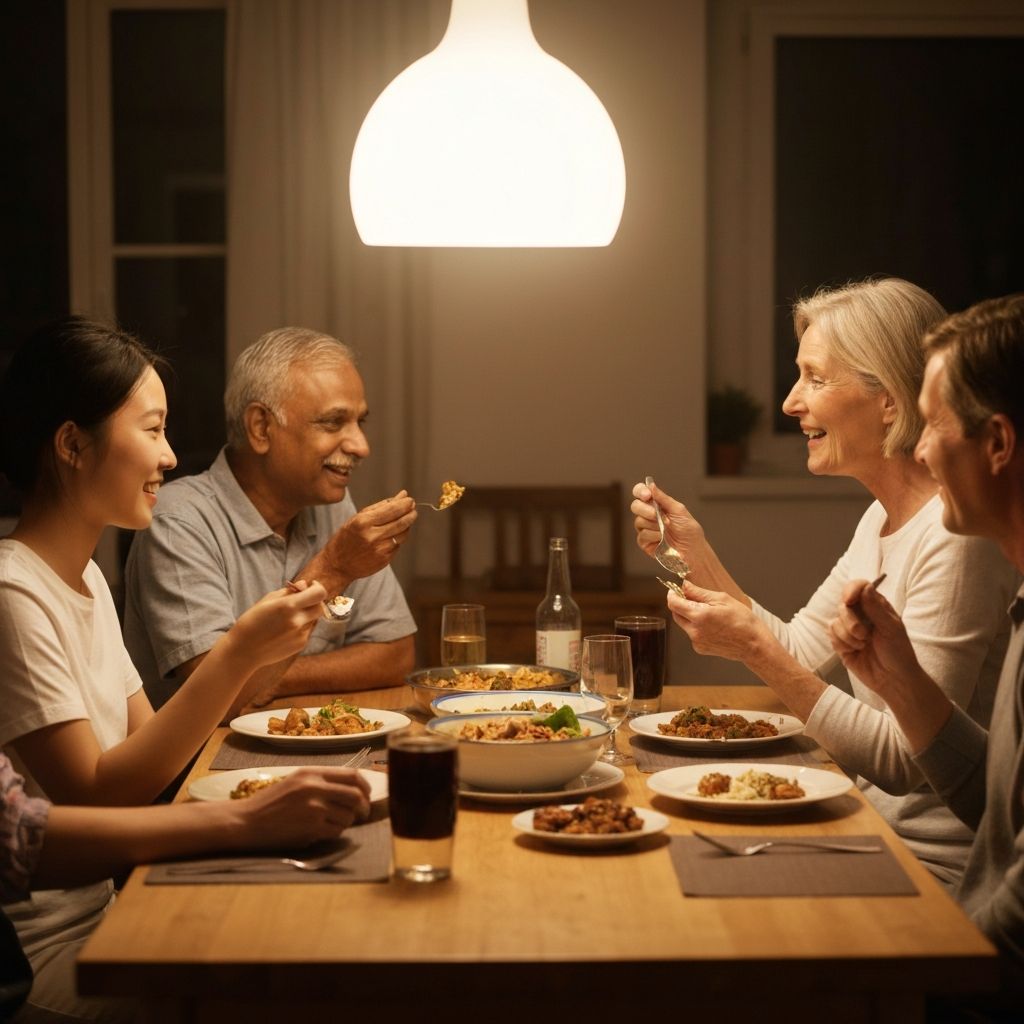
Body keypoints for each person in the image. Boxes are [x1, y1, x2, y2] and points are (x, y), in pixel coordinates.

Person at [0, 316, 356, 1020]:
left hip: (121, 910)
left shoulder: (86, 580)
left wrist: (256, 651)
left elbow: (153, 758)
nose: (168, 458)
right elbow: (99, 796)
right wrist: (236, 653)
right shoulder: (13, 594)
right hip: (51, 958)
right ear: (73, 444)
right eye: (153, 430)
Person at [633, 278, 1019, 887]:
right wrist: (696, 554)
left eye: (815, 377)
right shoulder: (881, 517)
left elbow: (902, 760)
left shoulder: (957, 537)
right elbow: (803, 649)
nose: (790, 401)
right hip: (867, 830)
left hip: (935, 869)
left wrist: (754, 651)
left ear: (889, 400)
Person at [830, 294, 1024, 996]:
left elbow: (1011, 917)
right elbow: (1000, 807)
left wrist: (919, 964)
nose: (918, 447)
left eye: (935, 423)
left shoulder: (965, 553)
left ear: (998, 444)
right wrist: (903, 682)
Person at [123, 327, 418, 716]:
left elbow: (395, 654)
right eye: (333, 423)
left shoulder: (333, 503)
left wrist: (268, 679)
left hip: (306, 752)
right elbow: (217, 700)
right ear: (261, 427)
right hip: (198, 771)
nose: (361, 446)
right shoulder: (178, 521)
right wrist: (333, 568)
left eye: (360, 422)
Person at [1, 752, 369, 1021]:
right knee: (312, 994)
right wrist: (245, 819)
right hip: (28, 958)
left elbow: (157, 762)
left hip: (109, 908)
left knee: (309, 939)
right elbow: (19, 839)